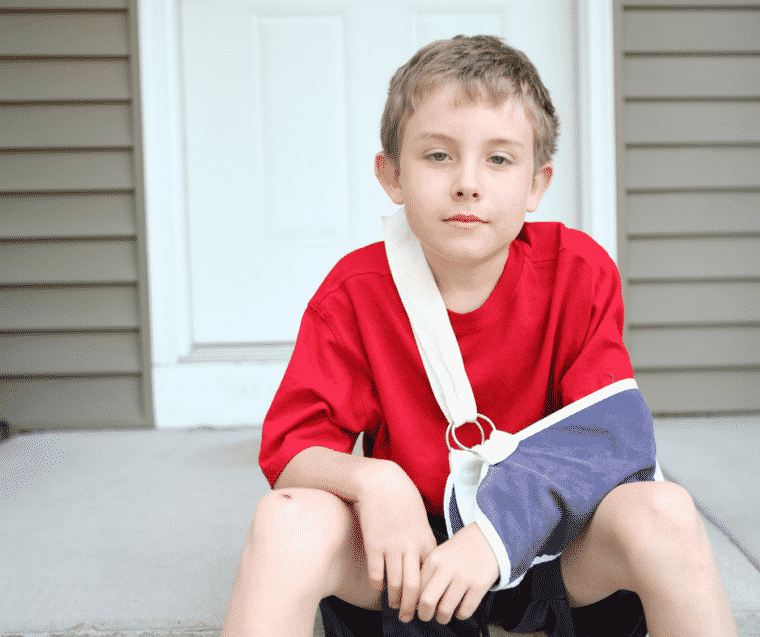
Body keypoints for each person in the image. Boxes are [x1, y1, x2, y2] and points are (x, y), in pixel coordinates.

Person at [221, 36, 738, 637]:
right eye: (438, 156)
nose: (468, 183)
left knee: (664, 511)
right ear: (391, 175)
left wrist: (492, 540)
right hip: (408, 564)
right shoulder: (356, 291)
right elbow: (290, 449)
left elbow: (611, 441)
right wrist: (373, 480)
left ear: (537, 185)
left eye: (499, 159)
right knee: (287, 523)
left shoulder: (577, 271)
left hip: (548, 554)